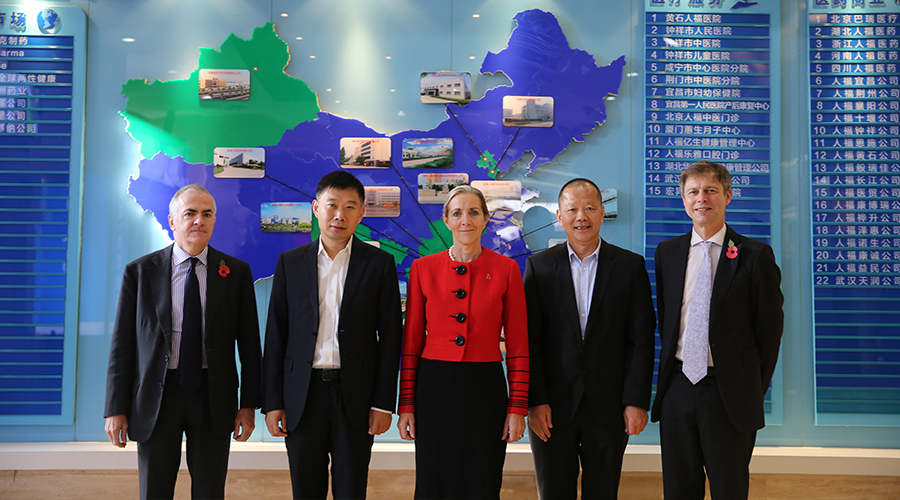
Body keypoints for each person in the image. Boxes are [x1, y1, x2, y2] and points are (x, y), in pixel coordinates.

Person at [104, 184, 262, 500]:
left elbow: (249, 345)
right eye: (190, 213)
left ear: (214, 220)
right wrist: (115, 409)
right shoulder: (140, 272)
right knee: (155, 490)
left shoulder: (236, 273)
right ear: (173, 220)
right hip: (157, 395)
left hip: (213, 396)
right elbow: (123, 345)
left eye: (207, 214)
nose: (199, 221)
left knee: (210, 490)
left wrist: (248, 405)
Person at [263, 171, 402, 500]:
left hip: (355, 395)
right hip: (302, 395)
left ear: (361, 213)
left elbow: (391, 337)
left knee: (351, 489)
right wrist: (273, 402)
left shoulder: (379, 264)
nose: (340, 214)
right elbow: (276, 335)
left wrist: (383, 404)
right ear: (316, 208)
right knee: (306, 490)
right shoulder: (290, 263)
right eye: (332, 205)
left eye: (350, 207)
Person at [652, 161, 784, 499]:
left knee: (729, 489)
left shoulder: (755, 255)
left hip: (729, 394)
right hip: (678, 388)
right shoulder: (667, 252)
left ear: (727, 195)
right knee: (679, 490)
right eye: (693, 192)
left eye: (710, 190)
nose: (701, 199)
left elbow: (769, 332)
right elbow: (667, 319)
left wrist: (749, 387)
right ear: (684, 199)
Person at [524, 178, 656, 500]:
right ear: (560, 216)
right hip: (551, 408)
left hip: (610, 407)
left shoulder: (629, 266)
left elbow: (640, 340)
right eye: (572, 209)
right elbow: (529, 342)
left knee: (603, 492)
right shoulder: (539, 267)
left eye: (589, 208)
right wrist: (535, 401)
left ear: (602, 213)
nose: (581, 216)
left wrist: (636, 401)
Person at [397, 185, 529, 500]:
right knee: (433, 482)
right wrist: (406, 405)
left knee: (482, 481)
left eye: (473, 212)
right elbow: (412, 342)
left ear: (486, 219)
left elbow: (518, 344)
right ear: (446, 220)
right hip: (434, 387)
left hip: (486, 388)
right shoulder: (422, 269)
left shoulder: (507, 269)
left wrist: (517, 407)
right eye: (457, 213)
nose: (465, 220)